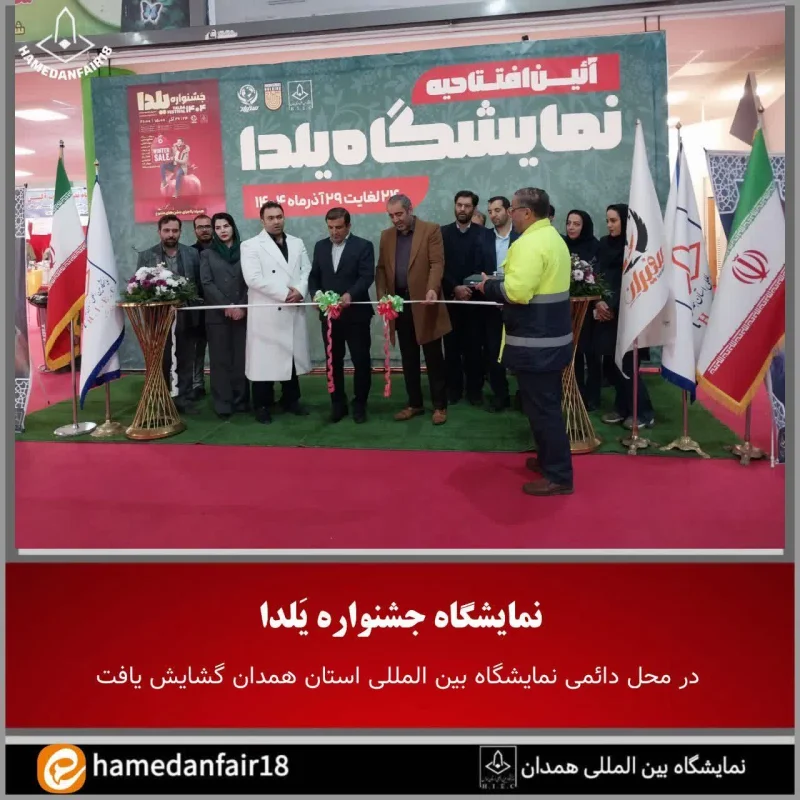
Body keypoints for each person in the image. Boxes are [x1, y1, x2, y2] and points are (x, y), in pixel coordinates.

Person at [476, 187, 573, 496]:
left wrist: (488, 287)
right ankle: (548, 462)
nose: (510, 214)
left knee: (544, 411)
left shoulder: (529, 243)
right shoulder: (552, 237)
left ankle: (558, 476)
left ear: (527, 213)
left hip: (537, 345)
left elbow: (517, 292)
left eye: (513, 209)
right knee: (542, 408)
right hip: (550, 341)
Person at [376, 194, 451, 425]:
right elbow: (381, 269)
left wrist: (432, 289)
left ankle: (439, 406)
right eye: (391, 216)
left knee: (433, 358)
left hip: (426, 304)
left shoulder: (431, 230)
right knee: (408, 358)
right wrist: (382, 298)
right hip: (400, 307)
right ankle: (414, 404)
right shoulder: (386, 236)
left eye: (399, 214)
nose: (395, 220)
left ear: (410, 210)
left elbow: (436, 263)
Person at [241, 201, 312, 425]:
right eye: (270, 218)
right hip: (268, 312)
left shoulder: (297, 242)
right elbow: (253, 279)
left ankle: (291, 400)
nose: (276, 221)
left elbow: (306, 269)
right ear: (262, 221)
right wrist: (285, 294)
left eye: (279, 217)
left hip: (292, 308)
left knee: (290, 358)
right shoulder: (251, 245)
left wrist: (300, 290)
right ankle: (262, 405)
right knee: (265, 362)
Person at [308, 207, 375, 424]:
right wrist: (316, 295)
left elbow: (367, 276)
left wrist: (350, 295)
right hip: (330, 317)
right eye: (330, 227)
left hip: (356, 316)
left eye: (338, 227)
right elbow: (313, 277)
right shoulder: (320, 246)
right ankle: (337, 403)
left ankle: (360, 404)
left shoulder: (363, 246)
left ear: (348, 226)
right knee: (332, 361)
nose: (334, 232)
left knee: (361, 361)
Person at [595, 203, 655, 429]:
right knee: (612, 365)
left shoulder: (637, 247)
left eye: (614, 221)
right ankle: (622, 408)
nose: (609, 225)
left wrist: (612, 305)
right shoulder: (603, 244)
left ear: (625, 222)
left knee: (628, 366)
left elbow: (635, 282)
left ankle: (643, 413)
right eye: (607, 221)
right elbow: (597, 276)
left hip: (629, 314)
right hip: (605, 314)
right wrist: (599, 301)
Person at [137, 214, 202, 414]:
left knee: (186, 357)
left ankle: (184, 397)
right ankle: (162, 398)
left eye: (175, 230)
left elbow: (198, 285)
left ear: (180, 232)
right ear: (159, 232)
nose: (171, 234)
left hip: (186, 315)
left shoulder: (192, 254)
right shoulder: (147, 256)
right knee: (162, 359)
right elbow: (140, 287)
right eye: (167, 230)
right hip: (159, 317)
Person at [441, 190, 494, 406]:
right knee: (451, 347)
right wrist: (455, 288)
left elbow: (486, 266)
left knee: (474, 348)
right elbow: (439, 265)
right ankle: (453, 389)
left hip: (475, 301)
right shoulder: (442, 233)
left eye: (467, 206)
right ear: (455, 206)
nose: (462, 209)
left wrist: (469, 288)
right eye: (459, 205)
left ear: (474, 209)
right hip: (451, 300)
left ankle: (474, 391)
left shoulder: (484, 234)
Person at [199, 212, 249, 420]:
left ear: (233, 227)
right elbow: (207, 283)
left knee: (241, 358)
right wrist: (226, 305)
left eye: (226, 226)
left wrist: (242, 306)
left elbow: (252, 281)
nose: (222, 231)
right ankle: (223, 403)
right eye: (218, 228)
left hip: (243, 313)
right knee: (220, 360)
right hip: (217, 315)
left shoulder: (247, 250)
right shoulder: (207, 254)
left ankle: (242, 400)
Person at [563, 209, 602, 410]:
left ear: (584, 226)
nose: (571, 227)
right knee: (574, 352)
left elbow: (599, 278)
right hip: (567, 309)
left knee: (591, 354)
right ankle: (574, 393)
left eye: (576, 224)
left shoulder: (595, 246)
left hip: (589, 310)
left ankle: (593, 397)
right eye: (569, 223)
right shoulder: (561, 245)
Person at [485, 195, 521, 411]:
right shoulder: (483, 238)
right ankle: (500, 395)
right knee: (493, 352)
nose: (493, 215)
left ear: (508, 211)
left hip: (519, 303)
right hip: (491, 304)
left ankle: (524, 395)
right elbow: (478, 271)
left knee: (521, 351)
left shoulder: (522, 236)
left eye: (497, 210)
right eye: (490, 211)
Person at [190, 214, 214, 400]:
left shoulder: (222, 249)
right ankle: (197, 384)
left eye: (207, 226)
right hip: (197, 309)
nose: (204, 230)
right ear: (195, 230)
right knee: (196, 349)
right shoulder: (189, 253)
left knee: (221, 349)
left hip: (219, 307)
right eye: (200, 227)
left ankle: (221, 382)